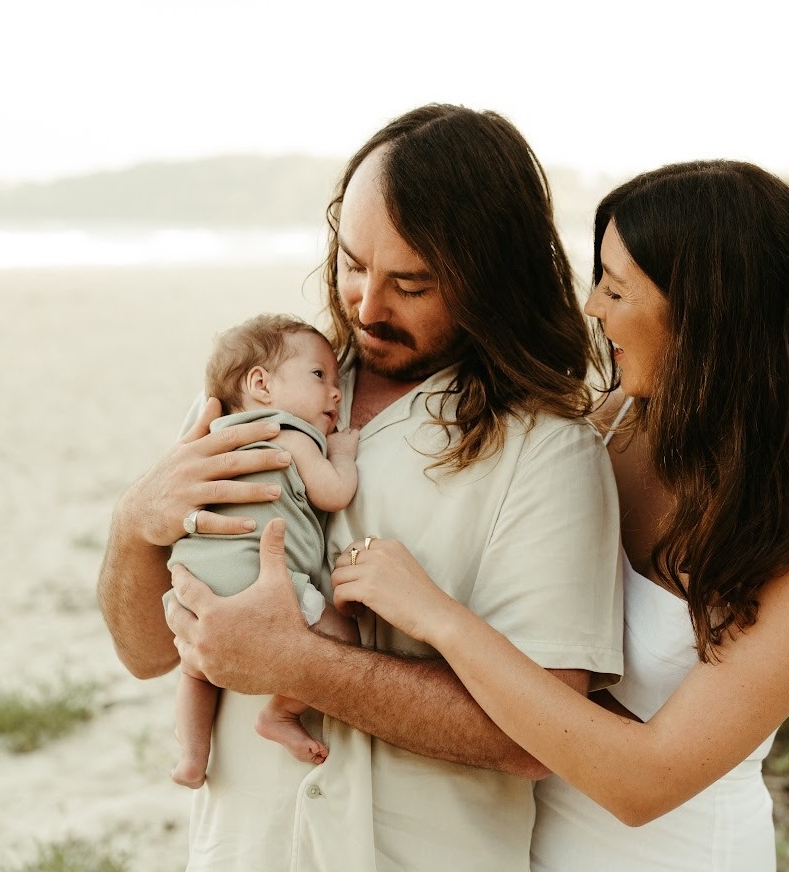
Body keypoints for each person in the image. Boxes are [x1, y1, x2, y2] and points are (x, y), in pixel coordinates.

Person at [327, 160, 789, 871]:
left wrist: (440, 620)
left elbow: (645, 781)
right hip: (522, 847)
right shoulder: (601, 432)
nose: (593, 309)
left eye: (616, 287)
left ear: (706, 311)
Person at [97, 104, 624, 872]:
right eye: (351, 264)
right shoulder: (268, 397)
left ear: (490, 280)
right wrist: (131, 525)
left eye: (410, 283)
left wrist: (299, 664)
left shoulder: (547, 453)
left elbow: (540, 739)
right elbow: (144, 652)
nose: (367, 307)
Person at [166, 313, 361, 789]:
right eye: (319, 376)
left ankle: (192, 758)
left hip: (193, 574)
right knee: (345, 640)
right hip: (258, 577)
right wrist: (342, 455)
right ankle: (279, 714)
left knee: (194, 668)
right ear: (261, 384)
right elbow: (333, 493)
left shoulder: (215, 440)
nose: (335, 393)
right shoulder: (292, 434)